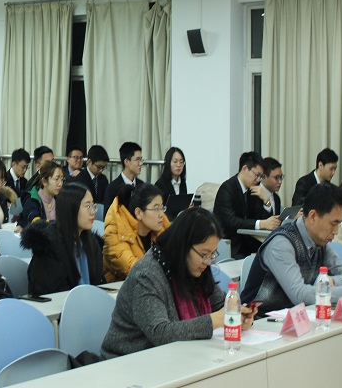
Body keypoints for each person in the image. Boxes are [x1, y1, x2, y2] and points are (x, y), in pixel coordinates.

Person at [101, 208, 255, 358]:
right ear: (184, 246)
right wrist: (216, 320)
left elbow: (221, 306)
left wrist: (238, 317)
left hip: (176, 357)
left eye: (212, 254)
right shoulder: (147, 274)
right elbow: (160, 333)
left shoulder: (196, 267)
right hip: (129, 360)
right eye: (204, 254)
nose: (208, 262)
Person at [241, 183, 342, 316]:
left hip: (297, 318)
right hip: (258, 321)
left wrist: (331, 282)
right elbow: (299, 295)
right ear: (313, 216)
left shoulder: (320, 243)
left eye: (339, 223)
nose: (336, 231)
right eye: (333, 223)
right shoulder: (281, 244)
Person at [21, 182, 103, 294]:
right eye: (87, 206)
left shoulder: (91, 242)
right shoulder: (48, 246)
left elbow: (98, 283)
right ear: (70, 209)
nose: (92, 212)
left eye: (93, 206)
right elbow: (53, 292)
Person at [213, 151, 280, 259]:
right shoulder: (227, 188)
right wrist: (262, 224)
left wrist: (266, 201)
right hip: (230, 245)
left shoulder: (253, 190)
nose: (258, 180)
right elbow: (231, 221)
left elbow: (261, 219)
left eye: (261, 177)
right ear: (244, 169)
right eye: (257, 175)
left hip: (249, 244)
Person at [103, 183, 170, 282]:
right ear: (138, 213)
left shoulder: (161, 227)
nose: (161, 214)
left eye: (162, 208)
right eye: (156, 209)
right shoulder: (116, 232)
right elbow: (135, 270)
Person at [102, 142, 143, 216]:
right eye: (137, 160)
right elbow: (108, 217)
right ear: (126, 162)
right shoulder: (112, 188)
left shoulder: (141, 186)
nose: (140, 163)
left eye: (141, 160)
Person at [19, 160, 64, 228]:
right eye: (56, 179)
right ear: (44, 181)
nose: (60, 184)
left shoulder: (59, 200)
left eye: (62, 179)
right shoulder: (32, 201)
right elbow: (36, 224)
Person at [154, 147, 188, 220]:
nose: (178, 165)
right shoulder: (160, 184)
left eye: (181, 162)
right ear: (168, 163)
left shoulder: (183, 183)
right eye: (175, 162)